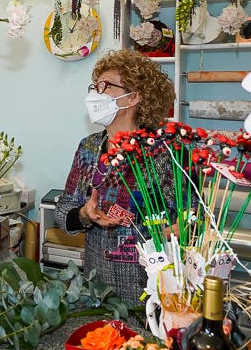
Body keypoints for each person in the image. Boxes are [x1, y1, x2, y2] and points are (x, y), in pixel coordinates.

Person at [54, 49, 176, 304]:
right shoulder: (89, 148)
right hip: (96, 289)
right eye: (94, 86)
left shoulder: (166, 153)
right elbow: (64, 208)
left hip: (149, 291)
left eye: (105, 86)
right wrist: (84, 215)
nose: (94, 94)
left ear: (132, 98)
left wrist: (170, 232)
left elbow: (191, 218)